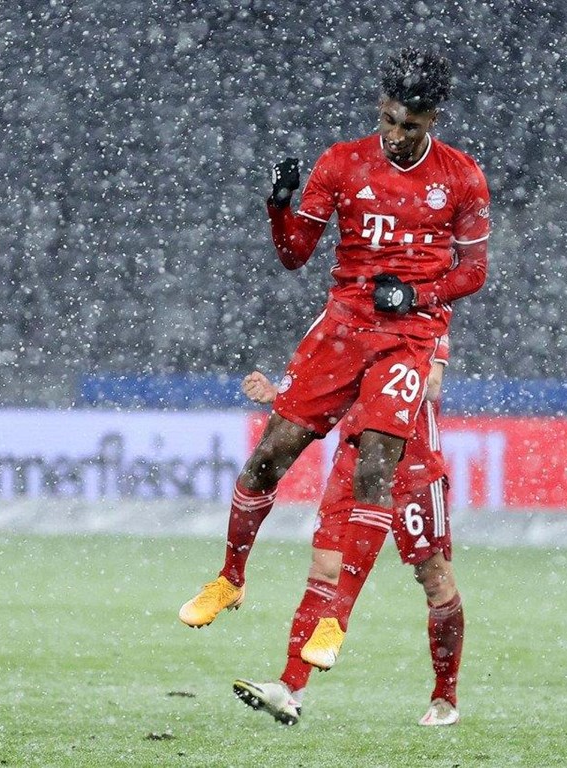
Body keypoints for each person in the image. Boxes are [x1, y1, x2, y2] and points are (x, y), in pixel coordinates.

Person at [179, 46, 487, 676]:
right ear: (382, 106)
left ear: (435, 120)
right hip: (342, 329)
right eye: (393, 120)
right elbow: (296, 254)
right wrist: (278, 207)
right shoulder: (342, 163)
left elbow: (475, 270)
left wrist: (418, 295)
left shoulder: (461, 177)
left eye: (414, 126)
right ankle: (230, 577)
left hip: (406, 340)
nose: (399, 137)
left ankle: (333, 619)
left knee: (376, 464)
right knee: (271, 455)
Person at [231, 341, 462, 726]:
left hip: (413, 468)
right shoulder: (353, 316)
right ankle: (290, 688)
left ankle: (445, 697)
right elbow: (332, 385)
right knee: (324, 570)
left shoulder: (426, 310)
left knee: (435, 580)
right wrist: (290, 398)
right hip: (354, 463)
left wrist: (379, 379)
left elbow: (432, 384)